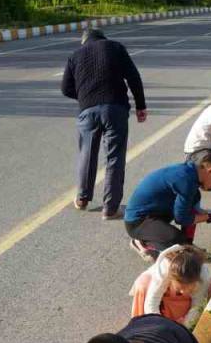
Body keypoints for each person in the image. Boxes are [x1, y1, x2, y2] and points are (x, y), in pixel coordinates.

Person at [62, 28, 148, 220]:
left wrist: (85, 96)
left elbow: (65, 88)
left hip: (87, 111)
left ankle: (82, 199)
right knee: (114, 158)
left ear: (84, 41)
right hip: (115, 108)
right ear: (103, 38)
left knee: (87, 153)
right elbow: (134, 77)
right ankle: (110, 208)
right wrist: (140, 106)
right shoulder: (115, 47)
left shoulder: (75, 55)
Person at [123, 150, 211, 260]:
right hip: (137, 222)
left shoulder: (191, 173)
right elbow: (183, 219)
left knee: (193, 202)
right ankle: (143, 243)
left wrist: (188, 244)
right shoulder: (186, 181)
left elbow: (189, 213)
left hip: (153, 214)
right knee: (176, 244)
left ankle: (187, 246)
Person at [129, 244, 211, 324]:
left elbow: (197, 306)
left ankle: (176, 319)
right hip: (166, 293)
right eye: (179, 288)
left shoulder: (203, 277)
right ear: (172, 279)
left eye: (189, 289)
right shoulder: (165, 268)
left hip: (181, 299)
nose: (183, 291)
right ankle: (141, 323)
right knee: (142, 284)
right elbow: (152, 300)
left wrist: (184, 326)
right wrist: (159, 324)